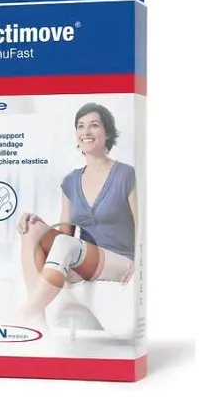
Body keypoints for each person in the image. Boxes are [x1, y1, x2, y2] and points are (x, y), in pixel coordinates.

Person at [16, 102, 137, 328]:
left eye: (94, 125)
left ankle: (22, 316)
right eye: (80, 126)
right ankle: (38, 326)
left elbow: (144, 227)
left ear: (107, 132)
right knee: (31, 229)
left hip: (121, 260)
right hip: (86, 259)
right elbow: (65, 232)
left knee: (65, 245)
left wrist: (140, 267)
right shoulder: (70, 181)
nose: (86, 131)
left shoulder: (126, 175)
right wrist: (36, 222)